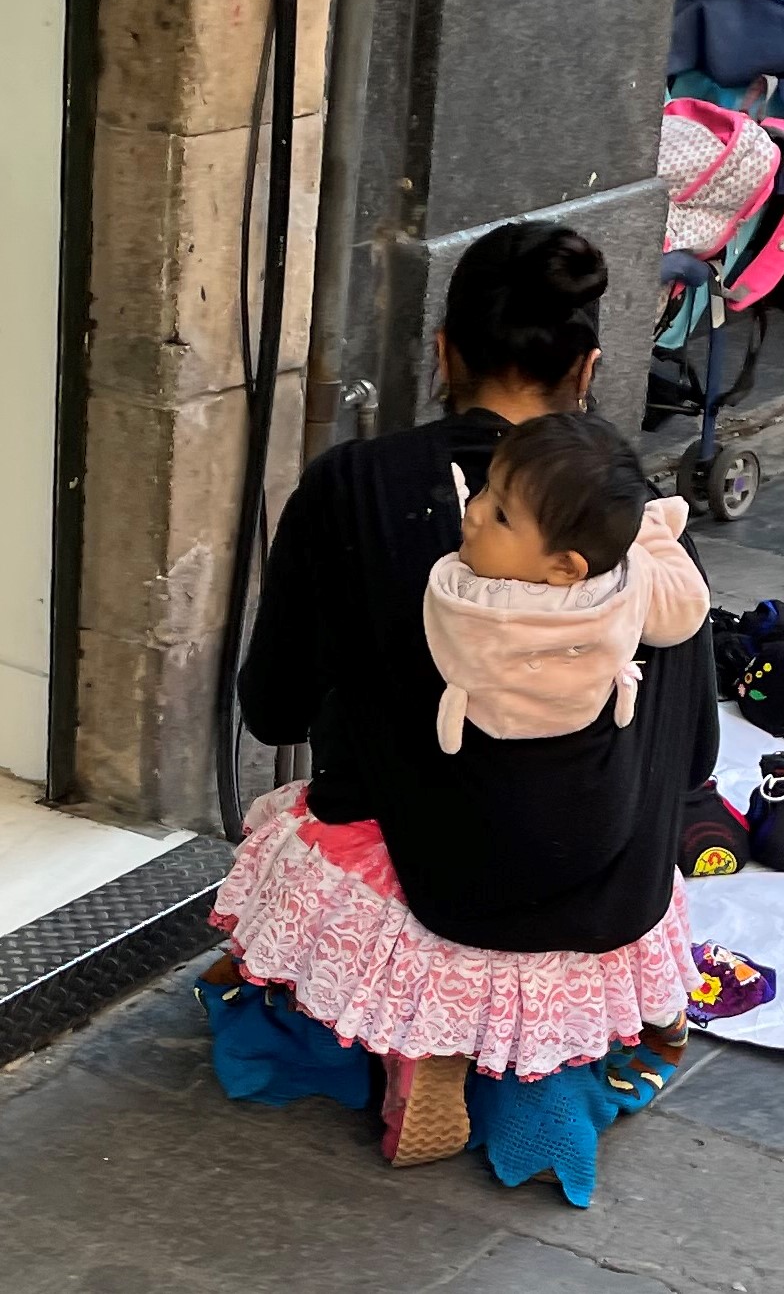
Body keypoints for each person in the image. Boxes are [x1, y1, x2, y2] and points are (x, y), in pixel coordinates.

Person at [207, 221, 720, 1178]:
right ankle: (547, 1056)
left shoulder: (354, 484)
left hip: (431, 874)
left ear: (442, 354)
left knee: (323, 822)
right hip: (610, 893)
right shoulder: (637, 518)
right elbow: (692, 755)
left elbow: (272, 709)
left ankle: (420, 1034)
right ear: (589, 369)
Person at [426, 412, 710, 752]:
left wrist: (644, 540)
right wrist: (643, 544)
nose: (474, 511)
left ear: (564, 566)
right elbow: (685, 611)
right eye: (486, 487)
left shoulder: (468, 599)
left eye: (501, 515)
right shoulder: (622, 589)